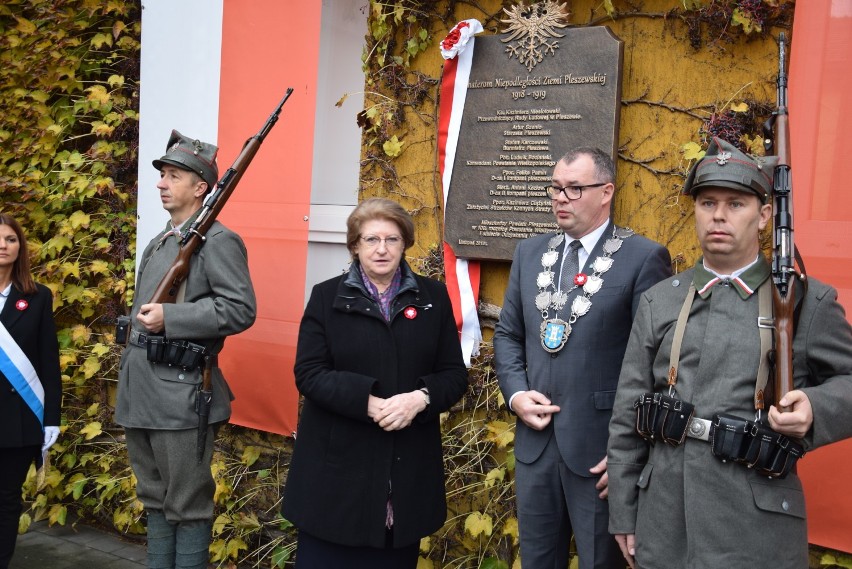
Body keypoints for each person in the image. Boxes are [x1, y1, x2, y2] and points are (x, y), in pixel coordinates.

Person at [606, 137, 852, 569]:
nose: (718, 215)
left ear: (765, 215)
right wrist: (624, 513)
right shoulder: (660, 300)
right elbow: (628, 416)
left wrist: (814, 407)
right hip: (665, 521)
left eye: (736, 204)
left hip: (755, 528)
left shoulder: (804, 303)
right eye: (707, 202)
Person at [494, 147, 672, 569]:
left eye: (574, 188)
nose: (560, 197)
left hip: (601, 453)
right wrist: (516, 394)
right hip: (535, 448)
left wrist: (632, 448)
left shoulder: (644, 258)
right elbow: (508, 334)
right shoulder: (529, 252)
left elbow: (658, 363)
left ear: (606, 191)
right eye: (556, 187)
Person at [282, 197, 469, 568]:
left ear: (405, 244)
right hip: (336, 478)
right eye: (371, 240)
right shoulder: (327, 296)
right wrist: (366, 401)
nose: (381, 249)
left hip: (404, 477)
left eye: (392, 239)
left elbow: (453, 374)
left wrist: (421, 399)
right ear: (355, 246)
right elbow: (309, 372)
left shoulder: (433, 298)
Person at [115, 131, 256, 569]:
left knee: (187, 503)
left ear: (201, 188)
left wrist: (171, 319)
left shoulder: (218, 241)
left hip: (180, 394)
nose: (161, 183)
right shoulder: (162, 241)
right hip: (141, 388)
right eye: (162, 176)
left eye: (173, 176)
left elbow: (240, 309)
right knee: (153, 497)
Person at [0, 213, 61, 569]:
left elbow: (47, 361)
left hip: (18, 420)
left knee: (7, 500)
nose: (3, 246)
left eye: (10, 239)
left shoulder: (37, 297)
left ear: (19, 247)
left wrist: (51, 416)